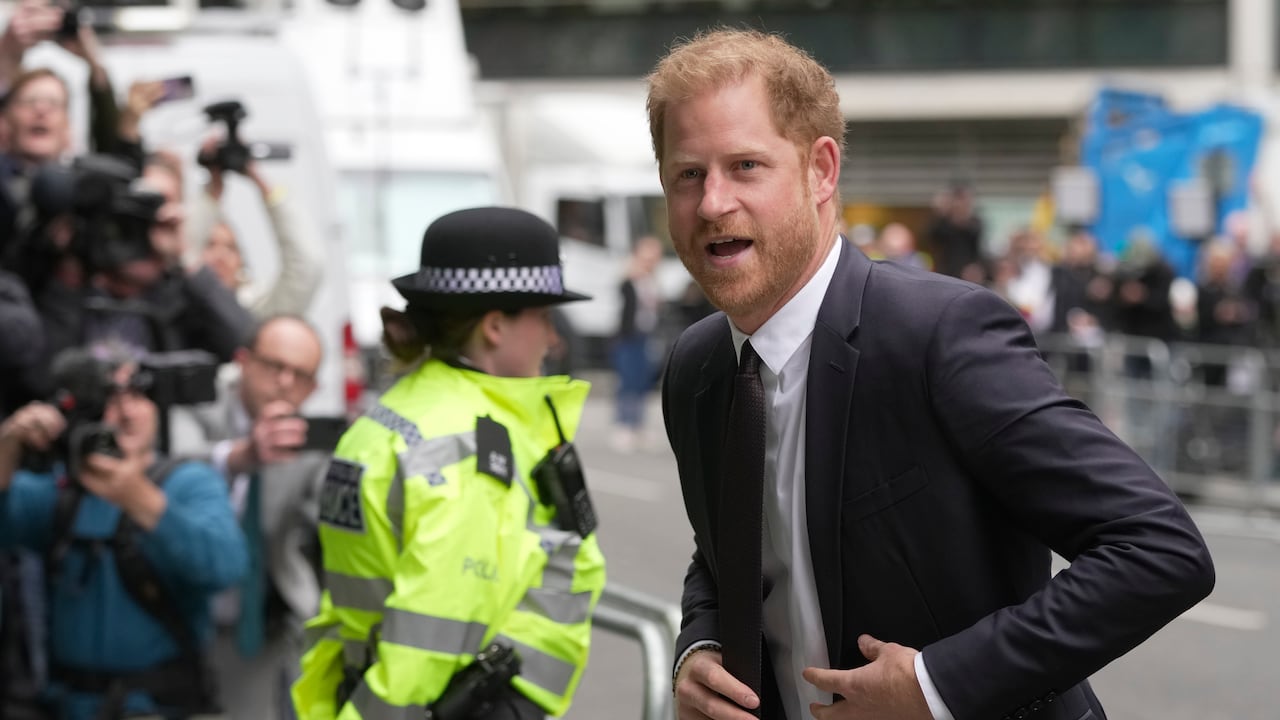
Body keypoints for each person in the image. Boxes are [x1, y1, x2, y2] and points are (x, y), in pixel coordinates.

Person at [648, 28, 1215, 720]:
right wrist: (699, 644)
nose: (711, 204)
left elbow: (1158, 550)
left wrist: (941, 685)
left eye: (745, 167)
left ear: (821, 171)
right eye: (688, 174)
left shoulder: (938, 335)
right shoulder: (696, 367)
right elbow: (727, 552)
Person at [293, 206, 607, 720]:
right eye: (544, 318)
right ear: (495, 327)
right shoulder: (475, 447)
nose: (554, 339)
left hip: (368, 687)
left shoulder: (395, 413)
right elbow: (433, 630)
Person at [0, 344, 248, 720]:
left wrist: (138, 498)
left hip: (155, 704)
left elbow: (225, 566)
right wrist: (9, 442)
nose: (126, 411)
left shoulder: (187, 482)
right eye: (111, 399)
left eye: (139, 396)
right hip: (67, 703)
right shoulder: (64, 491)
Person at [169, 315, 328, 719]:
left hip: (267, 616)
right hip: (182, 612)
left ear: (313, 388)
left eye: (301, 375)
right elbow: (170, 472)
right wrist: (239, 458)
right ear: (243, 361)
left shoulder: (315, 439)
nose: (285, 382)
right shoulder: (197, 404)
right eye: (275, 366)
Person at [189, 134, 323, 319]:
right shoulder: (176, 310)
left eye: (231, 248)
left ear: (241, 264)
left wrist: (257, 178)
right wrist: (212, 193)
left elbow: (306, 269)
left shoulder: (254, 313)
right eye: (210, 245)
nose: (220, 256)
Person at [611, 234, 664, 452]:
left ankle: (639, 425)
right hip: (628, 337)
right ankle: (623, 425)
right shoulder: (630, 280)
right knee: (627, 381)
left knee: (643, 381)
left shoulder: (653, 282)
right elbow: (623, 294)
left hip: (647, 336)